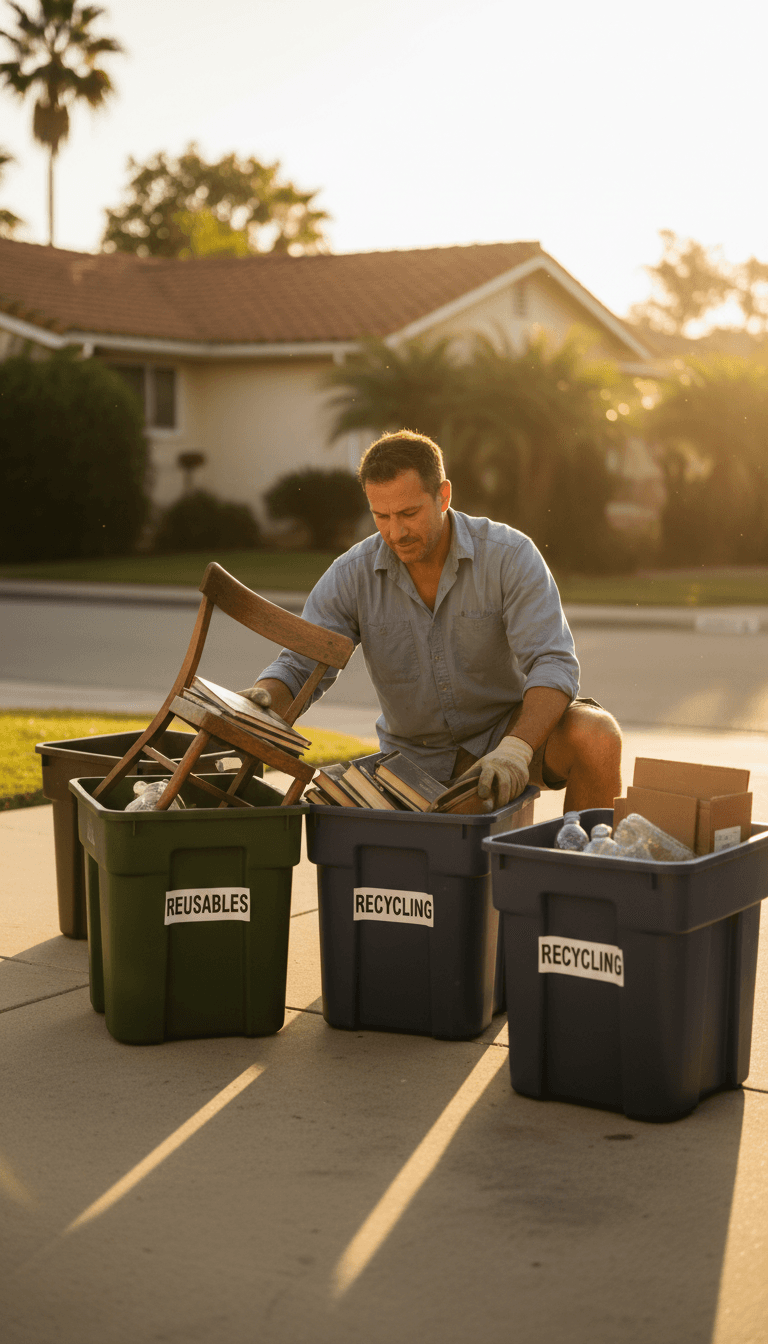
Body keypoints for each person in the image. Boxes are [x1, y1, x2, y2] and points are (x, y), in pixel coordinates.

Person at [247, 431, 622, 812]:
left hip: (504, 735)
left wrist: (515, 749)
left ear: (443, 495)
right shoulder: (351, 574)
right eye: (381, 516)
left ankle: (585, 865)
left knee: (597, 735)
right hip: (410, 761)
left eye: (409, 513)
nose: (395, 532)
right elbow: (299, 665)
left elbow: (553, 662)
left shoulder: (509, 556)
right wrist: (257, 704)